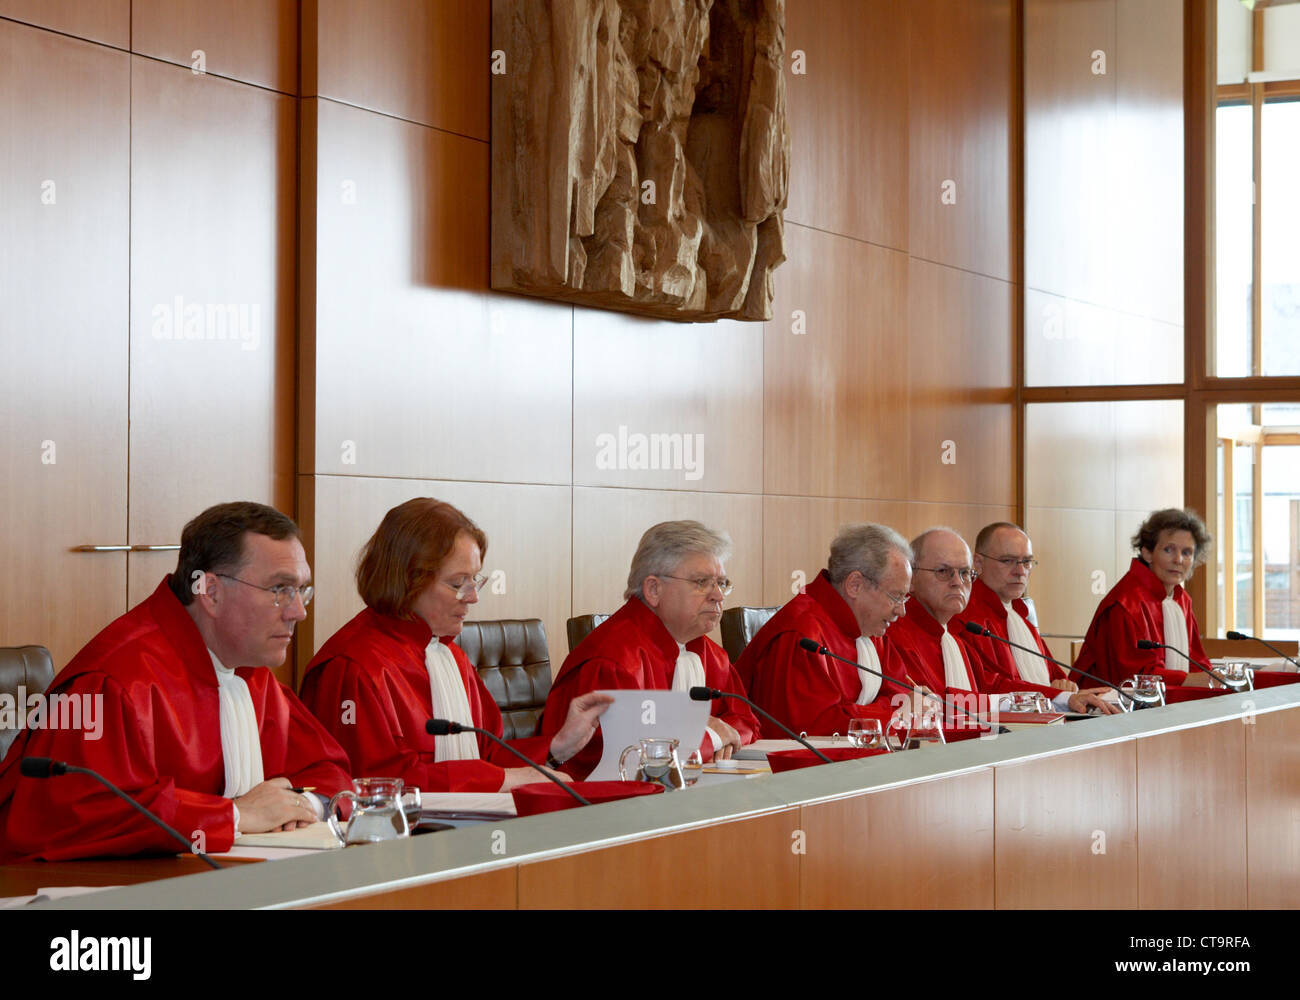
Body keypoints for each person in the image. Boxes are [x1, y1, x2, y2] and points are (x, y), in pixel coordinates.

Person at [0, 502, 352, 862]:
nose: (299, 611)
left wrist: (301, 805)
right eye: (280, 589)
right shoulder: (114, 681)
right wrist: (236, 815)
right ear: (211, 592)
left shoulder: (247, 671)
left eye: (301, 590)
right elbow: (80, 816)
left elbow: (328, 771)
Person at [300, 499, 611, 793]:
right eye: (458, 583)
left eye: (475, 580)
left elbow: (486, 752)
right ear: (408, 580)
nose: (473, 596)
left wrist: (557, 746)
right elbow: (373, 785)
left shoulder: (449, 655)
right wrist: (500, 780)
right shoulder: (353, 667)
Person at [541, 520, 760, 778]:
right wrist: (709, 736)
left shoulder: (708, 653)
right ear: (654, 589)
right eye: (702, 582)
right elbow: (618, 761)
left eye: (721, 583)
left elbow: (746, 723)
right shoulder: (614, 660)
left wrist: (713, 733)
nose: (718, 596)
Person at [888, 528, 1119, 719]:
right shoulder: (897, 634)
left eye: (964, 573)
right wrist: (1054, 698)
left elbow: (992, 688)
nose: (957, 582)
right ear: (911, 578)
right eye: (943, 572)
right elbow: (938, 707)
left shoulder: (954, 635)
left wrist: (1064, 698)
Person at [734, 523, 919, 737]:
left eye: (905, 597)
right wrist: (892, 713)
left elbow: (902, 696)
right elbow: (813, 731)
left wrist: (881, 712)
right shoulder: (801, 636)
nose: (902, 611)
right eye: (896, 596)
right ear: (855, 585)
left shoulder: (871, 626)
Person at [1072, 508, 1212, 687]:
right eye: (1169, 550)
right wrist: (1189, 680)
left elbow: (1196, 662)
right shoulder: (1125, 603)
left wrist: (1213, 678)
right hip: (1103, 709)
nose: (1178, 560)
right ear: (1147, 552)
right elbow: (1134, 679)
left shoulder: (1180, 599)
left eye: (1187, 553)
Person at [956, 522, 1077, 691]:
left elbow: (1059, 682)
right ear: (978, 562)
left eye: (1027, 562)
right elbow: (987, 688)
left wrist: (1065, 687)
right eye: (1007, 561)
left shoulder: (1021, 616)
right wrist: (1054, 694)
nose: (1020, 571)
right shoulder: (965, 618)